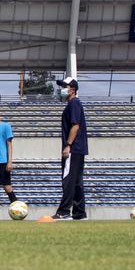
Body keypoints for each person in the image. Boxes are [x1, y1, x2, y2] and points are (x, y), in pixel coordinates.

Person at [53, 76, 89, 220]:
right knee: (76, 181)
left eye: (64, 86)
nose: (61, 89)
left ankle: (64, 212)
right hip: (79, 148)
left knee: (68, 179)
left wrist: (68, 145)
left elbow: (75, 125)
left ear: (72, 89)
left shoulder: (73, 104)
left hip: (73, 148)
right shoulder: (75, 104)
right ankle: (79, 213)